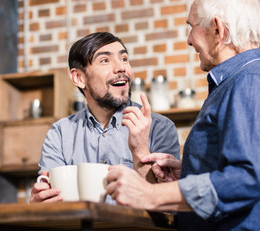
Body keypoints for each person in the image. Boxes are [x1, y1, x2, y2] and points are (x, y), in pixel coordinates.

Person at [105, 0, 260, 230]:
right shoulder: (240, 82)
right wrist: (190, 174)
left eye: (192, 26)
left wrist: (148, 193)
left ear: (217, 30)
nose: (189, 39)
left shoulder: (251, 81)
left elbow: (245, 179)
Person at [30, 32, 180, 203]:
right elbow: (55, 205)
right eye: (105, 61)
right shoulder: (60, 134)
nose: (121, 67)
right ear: (79, 78)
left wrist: (140, 151)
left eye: (124, 58)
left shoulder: (159, 127)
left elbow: (169, 207)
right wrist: (41, 204)